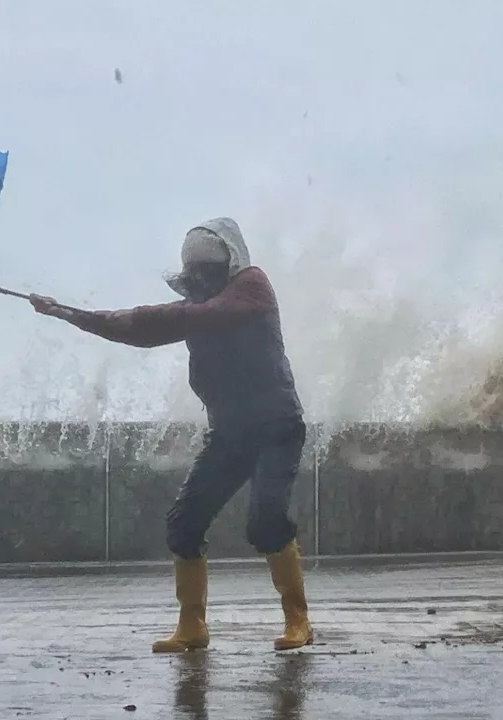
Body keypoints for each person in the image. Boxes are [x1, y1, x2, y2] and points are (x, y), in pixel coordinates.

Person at [29, 217, 313, 653]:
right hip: (229, 434)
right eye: (193, 269)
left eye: (208, 267)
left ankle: (298, 620)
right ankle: (192, 626)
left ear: (229, 263)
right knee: (184, 524)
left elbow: (182, 317)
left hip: (276, 427)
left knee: (266, 520)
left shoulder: (252, 286)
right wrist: (66, 312)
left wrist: (169, 317)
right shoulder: (194, 312)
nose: (199, 277)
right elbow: (137, 331)